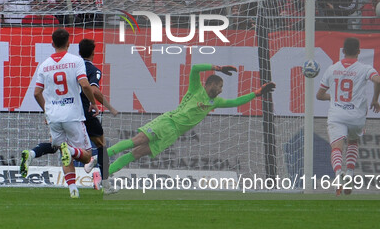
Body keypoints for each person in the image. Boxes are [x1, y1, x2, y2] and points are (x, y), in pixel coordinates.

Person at [107, 64, 276, 175]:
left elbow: (237, 101)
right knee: (137, 140)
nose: (221, 90)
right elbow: (195, 68)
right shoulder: (196, 88)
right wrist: (216, 67)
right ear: (211, 84)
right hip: (168, 121)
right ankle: (101, 156)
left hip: (173, 134)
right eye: (220, 86)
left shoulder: (215, 102)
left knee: (136, 154)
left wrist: (257, 93)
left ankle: (105, 175)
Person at [20, 38, 118, 192]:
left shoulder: (66, 65)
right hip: (83, 111)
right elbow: (92, 89)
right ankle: (105, 184)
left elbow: (39, 92)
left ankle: (33, 154)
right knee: (100, 145)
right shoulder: (91, 69)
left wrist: (49, 111)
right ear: (94, 52)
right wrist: (110, 107)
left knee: (57, 145)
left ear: (78, 51)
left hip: (61, 110)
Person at [33, 29, 99, 198]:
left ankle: (73, 190)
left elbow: (36, 93)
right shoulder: (76, 61)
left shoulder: (45, 64)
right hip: (73, 115)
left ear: (52, 43)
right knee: (86, 156)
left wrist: (47, 110)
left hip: (54, 116)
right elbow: (85, 85)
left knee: (65, 155)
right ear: (69, 43)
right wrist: (93, 103)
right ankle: (70, 149)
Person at [316, 37, 380, 196]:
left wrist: (335, 97)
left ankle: (339, 174)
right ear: (359, 52)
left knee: (336, 148)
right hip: (356, 116)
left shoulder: (332, 69)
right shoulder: (365, 68)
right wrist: (375, 100)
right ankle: (350, 175)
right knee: (353, 141)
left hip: (337, 115)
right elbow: (378, 81)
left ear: (343, 51)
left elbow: (319, 95)